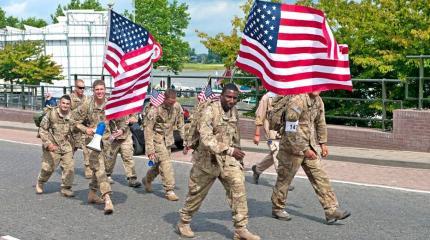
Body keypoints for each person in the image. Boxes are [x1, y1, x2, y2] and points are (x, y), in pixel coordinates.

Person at [177, 83, 260, 240]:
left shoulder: (233, 111)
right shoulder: (209, 111)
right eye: (228, 97)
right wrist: (230, 150)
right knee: (196, 194)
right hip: (206, 160)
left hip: (227, 160)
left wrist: (237, 156)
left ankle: (240, 229)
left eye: (235, 98)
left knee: (238, 187)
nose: (232, 100)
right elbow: (206, 138)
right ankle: (184, 221)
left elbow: (235, 136)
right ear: (221, 96)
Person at [271, 91, 351, 224]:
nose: (317, 89)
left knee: (320, 177)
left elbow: (321, 122)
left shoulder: (318, 101)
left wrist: (323, 143)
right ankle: (277, 208)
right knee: (284, 180)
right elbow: (290, 129)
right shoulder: (297, 100)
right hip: (291, 148)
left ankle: (331, 210)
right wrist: (304, 149)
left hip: (310, 147)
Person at [74, 80, 114, 214]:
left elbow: (119, 119)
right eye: (97, 89)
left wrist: (121, 129)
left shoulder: (111, 104)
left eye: (102, 89)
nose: (100, 92)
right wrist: (86, 130)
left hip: (107, 142)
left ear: (105, 89)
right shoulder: (87, 105)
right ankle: (107, 199)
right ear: (93, 90)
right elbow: (75, 122)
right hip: (92, 143)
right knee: (100, 170)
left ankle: (91, 193)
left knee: (102, 168)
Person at [142, 89, 184, 201]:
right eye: (170, 102)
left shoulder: (177, 106)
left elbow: (181, 123)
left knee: (158, 165)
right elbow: (148, 130)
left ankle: (147, 179)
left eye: (174, 102)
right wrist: (150, 150)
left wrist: (185, 140)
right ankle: (169, 190)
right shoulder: (155, 109)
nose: (172, 104)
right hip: (157, 140)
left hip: (168, 140)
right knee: (166, 163)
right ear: (164, 99)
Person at [251, 92, 295, 190]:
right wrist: (257, 134)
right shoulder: (267, 97)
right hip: (271, 132)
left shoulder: (289, 95)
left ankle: (257, 169)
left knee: (274, 155)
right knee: (277, 153)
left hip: (284, 131)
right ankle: (283, 181)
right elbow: (260, 116)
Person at [35, 95, 76, 197]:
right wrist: (48, 144)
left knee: (69, 167)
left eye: (67, 104)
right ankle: (40, 182)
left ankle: (66, 188)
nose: (65, 105)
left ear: (70, 105)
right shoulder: (51, 113)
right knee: (48, 168)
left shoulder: (72, 115)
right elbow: (43, 130)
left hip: (66, 146)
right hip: (52, 145)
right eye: (63, 103)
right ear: (59, 103)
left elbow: (76, 131)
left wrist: (76, 144)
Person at [105, 114, 142, 188]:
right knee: (110, 158)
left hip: (126, 136)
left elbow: (135, 118)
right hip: (112, 136)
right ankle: (107, 175)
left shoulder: (127, 104)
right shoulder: (108, 104)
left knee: (128, 156)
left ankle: (132, 178)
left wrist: (131, 120)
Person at [69, 79, 92, 179]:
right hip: (73, 128)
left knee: (87, 149)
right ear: (75, 87)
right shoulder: (69, 98)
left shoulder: (87, 98)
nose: (82, 90)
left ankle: (88, 169)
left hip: (84, 127)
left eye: (83, 88)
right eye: (80, 87)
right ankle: (67, 167)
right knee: (71, 149)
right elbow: (65, 112)